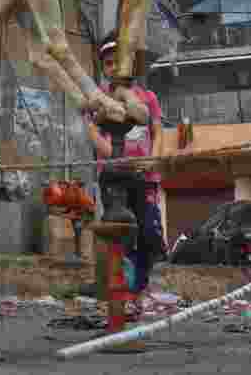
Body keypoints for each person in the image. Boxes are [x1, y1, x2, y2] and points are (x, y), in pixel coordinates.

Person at [86, 32, 167, 301]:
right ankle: (121, 292)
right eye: (108, 64)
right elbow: (94, 134)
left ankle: (139, 289)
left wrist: (152, 158)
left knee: (148, 233)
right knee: (119, 231)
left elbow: (157, 130)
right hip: (114, 177)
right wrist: (115, 157)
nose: (114, 69)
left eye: (118, 62)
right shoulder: (99, 99)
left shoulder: (148, 98)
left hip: (144, 177)